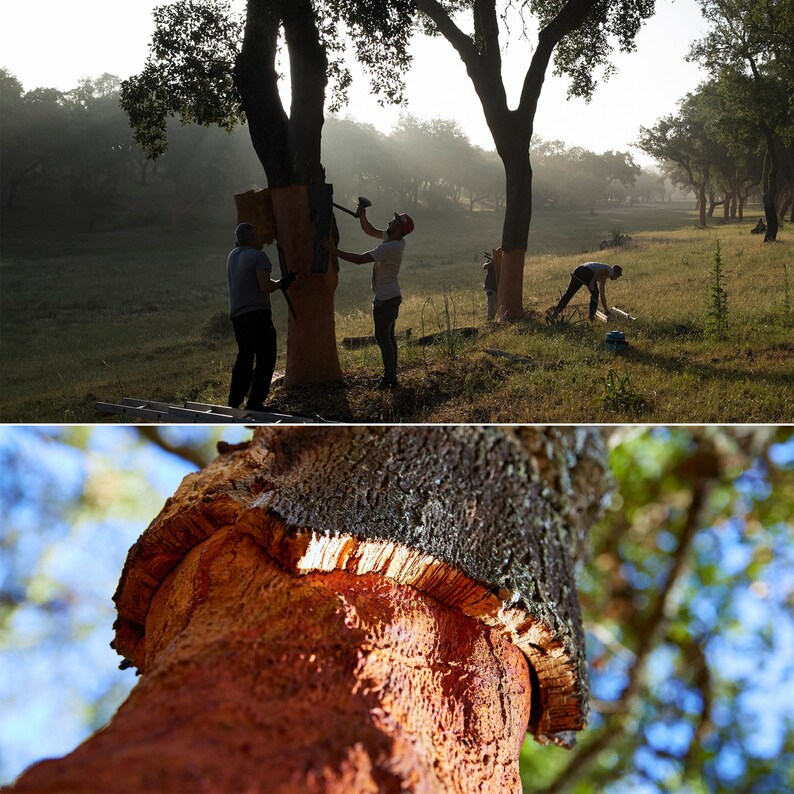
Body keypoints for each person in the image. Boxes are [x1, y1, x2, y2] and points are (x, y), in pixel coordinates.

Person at [324, 206, 414, 389]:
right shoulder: (395, 240)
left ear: (399, 230)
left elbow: (359, 259)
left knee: (383, 338)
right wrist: (362, 216)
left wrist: (334, 251)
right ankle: (391, 376)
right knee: (388, 337)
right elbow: (370, 230)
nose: (390, 222)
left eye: (394, 222)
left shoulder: (390, 248)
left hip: (386, 301)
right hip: (390, 297)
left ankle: (390, 378)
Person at [226, 222, 292, 412]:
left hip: (237, 315)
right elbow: (264, 287)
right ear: (253, 238)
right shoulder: (259, 257)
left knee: (245, 356)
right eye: (258, 235)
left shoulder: (232, 256)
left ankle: (234, 400)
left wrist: (279, 282)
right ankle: (255, 402)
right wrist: (282, 283)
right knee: (266, 356)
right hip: (257, 314)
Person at [549, 262, 623, 321]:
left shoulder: (604, 276)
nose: (616, 278)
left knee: (569, 293)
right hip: (586, 271)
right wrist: (591, 282)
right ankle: (591, 317)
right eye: (618, 276)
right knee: (595, 293)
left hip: (578, 270)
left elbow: (602, 294)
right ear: (616, 273)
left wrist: (606, 309)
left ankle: (555, 312)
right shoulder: (610, 271)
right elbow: (598, 271)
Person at [483, 254, 497, 321]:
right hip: (489, 287)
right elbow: (484, 267)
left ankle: (492, 318)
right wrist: (491, 263)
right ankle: (490, 319)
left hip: (497, 288)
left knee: (496, 305)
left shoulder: (502, 262)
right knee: (491, 303)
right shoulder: (490, 261)